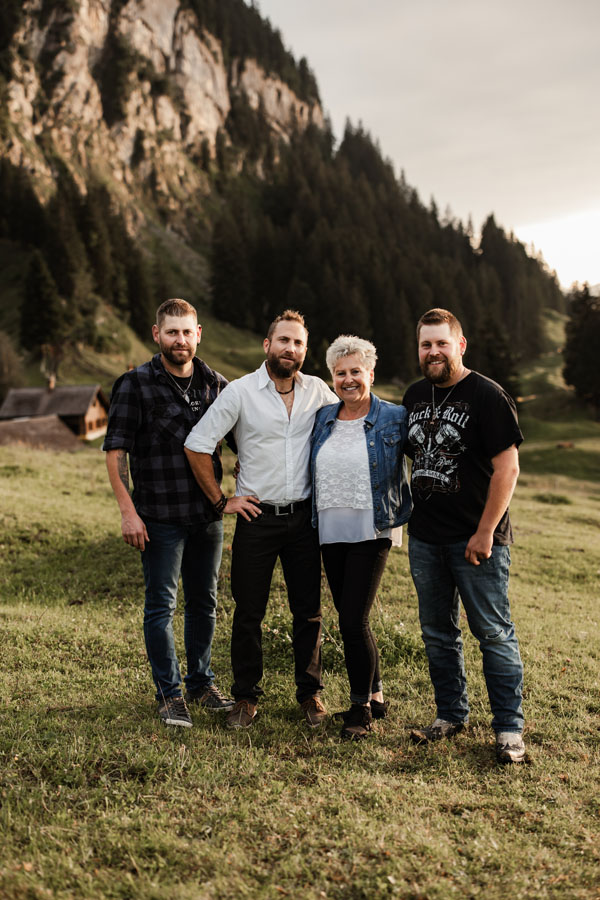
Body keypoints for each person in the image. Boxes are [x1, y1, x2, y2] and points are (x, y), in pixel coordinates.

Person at [183, 310, 338, 729]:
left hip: (305, 519)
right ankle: (246, 699)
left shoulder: (319, 391)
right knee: (249, 612)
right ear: (267, 345)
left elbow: (347, 428)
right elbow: (197, 444)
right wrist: (221, 501)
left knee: (308, 612)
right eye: (284, 340)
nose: (291, 348)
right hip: (257, 519)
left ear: (306, 351)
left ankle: (310, 696)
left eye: (299, 343)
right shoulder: (240, 392)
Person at [103, 298, 234, 728]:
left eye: (187, 332)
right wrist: (128, 512)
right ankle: (169, 693)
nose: (180, 340)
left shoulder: (217, 385)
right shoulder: (134, 384)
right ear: (157, 335)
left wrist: (233, 496)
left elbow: (245, 444)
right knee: (161, 605)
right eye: (171, 332)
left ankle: (200, 683)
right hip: (157, 516)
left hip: (207, 516)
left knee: (205, 603)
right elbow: (115, 451)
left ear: (199, 334)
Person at [403, 307, 525, 764]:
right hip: (426, 539)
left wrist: (485, 531)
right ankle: (451, 714)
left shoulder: (487, 396)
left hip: (477, 541)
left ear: (460, 345)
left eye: (441, 343)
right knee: (437, 633)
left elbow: (507, 467)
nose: (433, 351)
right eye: (425, 344)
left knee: (492, 633)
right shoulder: (415, 395)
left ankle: (509, 729)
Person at [310, 336, 412, 740]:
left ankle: (359, 710)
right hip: (330, 528)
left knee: (354, 620)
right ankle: (377, 693)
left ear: (370, 373)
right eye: (340, 373)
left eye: (356, 372)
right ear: (332, 377)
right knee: (351, 616)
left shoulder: (395, 417)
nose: (348, 379)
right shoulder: (324, 418)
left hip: (372, 527)